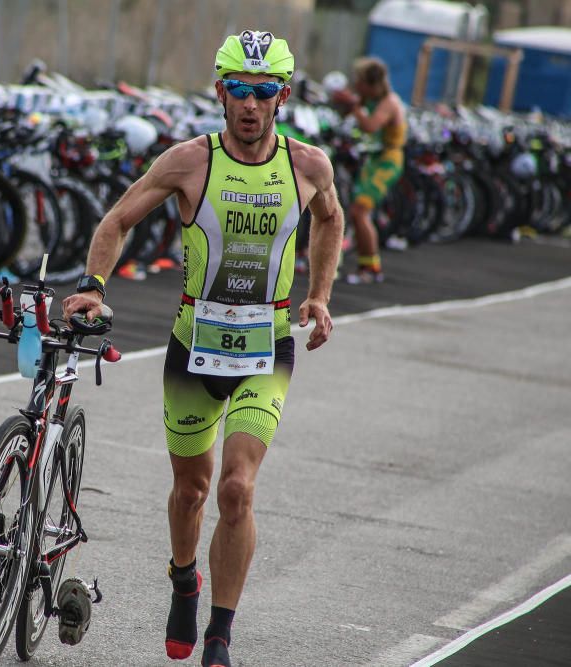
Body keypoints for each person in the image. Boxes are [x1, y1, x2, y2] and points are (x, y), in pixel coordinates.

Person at [62, 30, 343, 667]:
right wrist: (92, 287)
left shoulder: (309, 166)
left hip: (265, 351)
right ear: (220, 92)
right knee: (191, 491)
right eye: (239, 90)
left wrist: (320, 295)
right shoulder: (189, 161)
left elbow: (330, 217)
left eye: (263, 91)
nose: (250, 103)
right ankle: (184, 579)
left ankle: (220, 634)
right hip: (194, 351)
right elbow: (117, 220)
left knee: (236, 491)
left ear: (283, 97)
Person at [331, 56, 407, 284]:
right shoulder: (370, 97)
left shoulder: (389, 102)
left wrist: (354, 106)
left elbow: (370, 125)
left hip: (388, 159)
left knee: (360, 211)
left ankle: (371, 267)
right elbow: (348, 112)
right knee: (357, 212)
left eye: (360, 81)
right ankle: (367, 264)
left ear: (371, 83)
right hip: (375, 158)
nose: (357, 86)